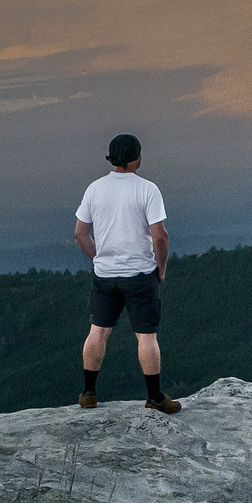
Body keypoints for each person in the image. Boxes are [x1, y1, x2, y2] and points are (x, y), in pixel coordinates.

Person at [73, 133, 177, 412]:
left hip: (105, 275)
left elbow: (81, 233)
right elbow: (161, 237)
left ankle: (88, 393)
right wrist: (161, 268)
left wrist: (99, 259)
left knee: (98, 331)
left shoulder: (95, 189)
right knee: (146, 336)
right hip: (139, 275)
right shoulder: (147, 190)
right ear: (136, 159)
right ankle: (154, 397)